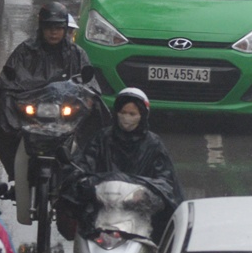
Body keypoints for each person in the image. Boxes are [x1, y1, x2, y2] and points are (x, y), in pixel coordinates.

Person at [0, 3, 99, 177]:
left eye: (58, 28)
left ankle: (82, 175)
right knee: (2, 115)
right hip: (30, 113)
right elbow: (8, 80)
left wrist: (87, 98)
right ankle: (16, 172)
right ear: (41, 27)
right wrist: (11, 97)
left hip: (65, 113)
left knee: (95, 120)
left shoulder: (77, 54)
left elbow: (89, 84)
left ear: (65, 29)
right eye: (49, 27)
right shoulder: (25, 51)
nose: (53, 32)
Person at [55, 88, 182, 240]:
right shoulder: (102, 139)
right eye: (123, 112)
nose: (126, 118)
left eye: (132, 114)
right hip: (102, 210)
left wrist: (146, 194)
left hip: (140, 213)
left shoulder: (153, 144)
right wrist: (88, 185)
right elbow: (83, 167)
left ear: (142, 116)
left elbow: (166, 181)